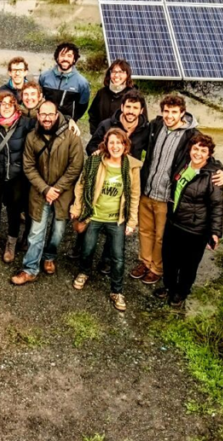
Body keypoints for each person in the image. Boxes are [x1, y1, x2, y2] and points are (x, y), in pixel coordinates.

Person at [131, 95, 223, 285]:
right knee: (145, 232)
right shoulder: (155, 126)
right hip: (147, 190)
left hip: (167, 197)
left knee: (160, 237)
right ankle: (145, 261)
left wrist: (222, 171)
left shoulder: (191, 134)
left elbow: (206, 156)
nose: (169, 116)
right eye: (166, 111)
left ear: (182, 113)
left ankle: (156, 268)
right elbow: (133, 140)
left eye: (174, 112)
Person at [12, 101, 84, 285]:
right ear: (38, 115)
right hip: (39, 192)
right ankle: (30, 269)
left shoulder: (71, 136)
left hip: (63, 194)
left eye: (50, 114)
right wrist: (45, 189)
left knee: (58, 232)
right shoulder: (32, 137)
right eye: (43, 114)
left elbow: (75, 166)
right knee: (36, 232)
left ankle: (49, 255)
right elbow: (28, 166)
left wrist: (57, 189)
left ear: (56, 114)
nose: (46, 118)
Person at [69, 128, 141, 312]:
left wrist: (132, 222)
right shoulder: (95, 161)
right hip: (94, 215)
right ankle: (84, 272)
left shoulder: (132, 166)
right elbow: (81, 184)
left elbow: (134, 195)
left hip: (116, 219)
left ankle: (117, 291)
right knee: (87, 248)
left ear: (125, 145)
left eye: (119, 142)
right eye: (112, 142)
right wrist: (77, 207)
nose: (115, 146)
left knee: (118, 257)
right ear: (106, 144)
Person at [154, 135, 223, 308]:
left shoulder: (213, 176)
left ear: (209, 154)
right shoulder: (184, 165)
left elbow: (217, 205)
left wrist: (215, 232)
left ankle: (181, 293)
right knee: (169, 259)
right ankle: (169, 287)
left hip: (195, 230)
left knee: (188, 265)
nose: (198, 153)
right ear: (190, 150)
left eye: (203, 151)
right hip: (174, 223)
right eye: (195, 149)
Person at [0, 91, 33, 263]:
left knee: (14, 210)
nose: (6, 107)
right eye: (3, 103)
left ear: (15, 106)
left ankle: (11, 244)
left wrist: (69, 121)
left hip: (17, 175)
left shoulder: (24, 123)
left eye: (10, 103)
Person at [85, 89, 149, 160]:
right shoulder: (106, 125)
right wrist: (99, 153)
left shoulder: (146, 129)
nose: (131, 111)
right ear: (122, 107)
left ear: (141, 110)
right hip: (108, 167)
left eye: (135, 108)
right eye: (128, 107)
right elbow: (91, 147)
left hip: (131, 169)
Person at [39, 42, 91, 121]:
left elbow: (82, 106)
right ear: (57, 58)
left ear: (74, 59)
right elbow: (39, 99)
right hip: (46, 121)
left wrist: (73, 120)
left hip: (67, 124)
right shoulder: (44, 77)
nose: (65, 59)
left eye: (69, 56)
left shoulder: (82, 83)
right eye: (62, 55)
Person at [87, 59, 137, 136]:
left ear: (127, 75)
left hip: (124, 143)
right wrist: (96, 133)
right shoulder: (101, 93)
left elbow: (141, 121)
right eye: (114, 72)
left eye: (121, 72)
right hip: (102, 140)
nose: (116, 75)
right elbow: (93, 114)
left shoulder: (134, 95)